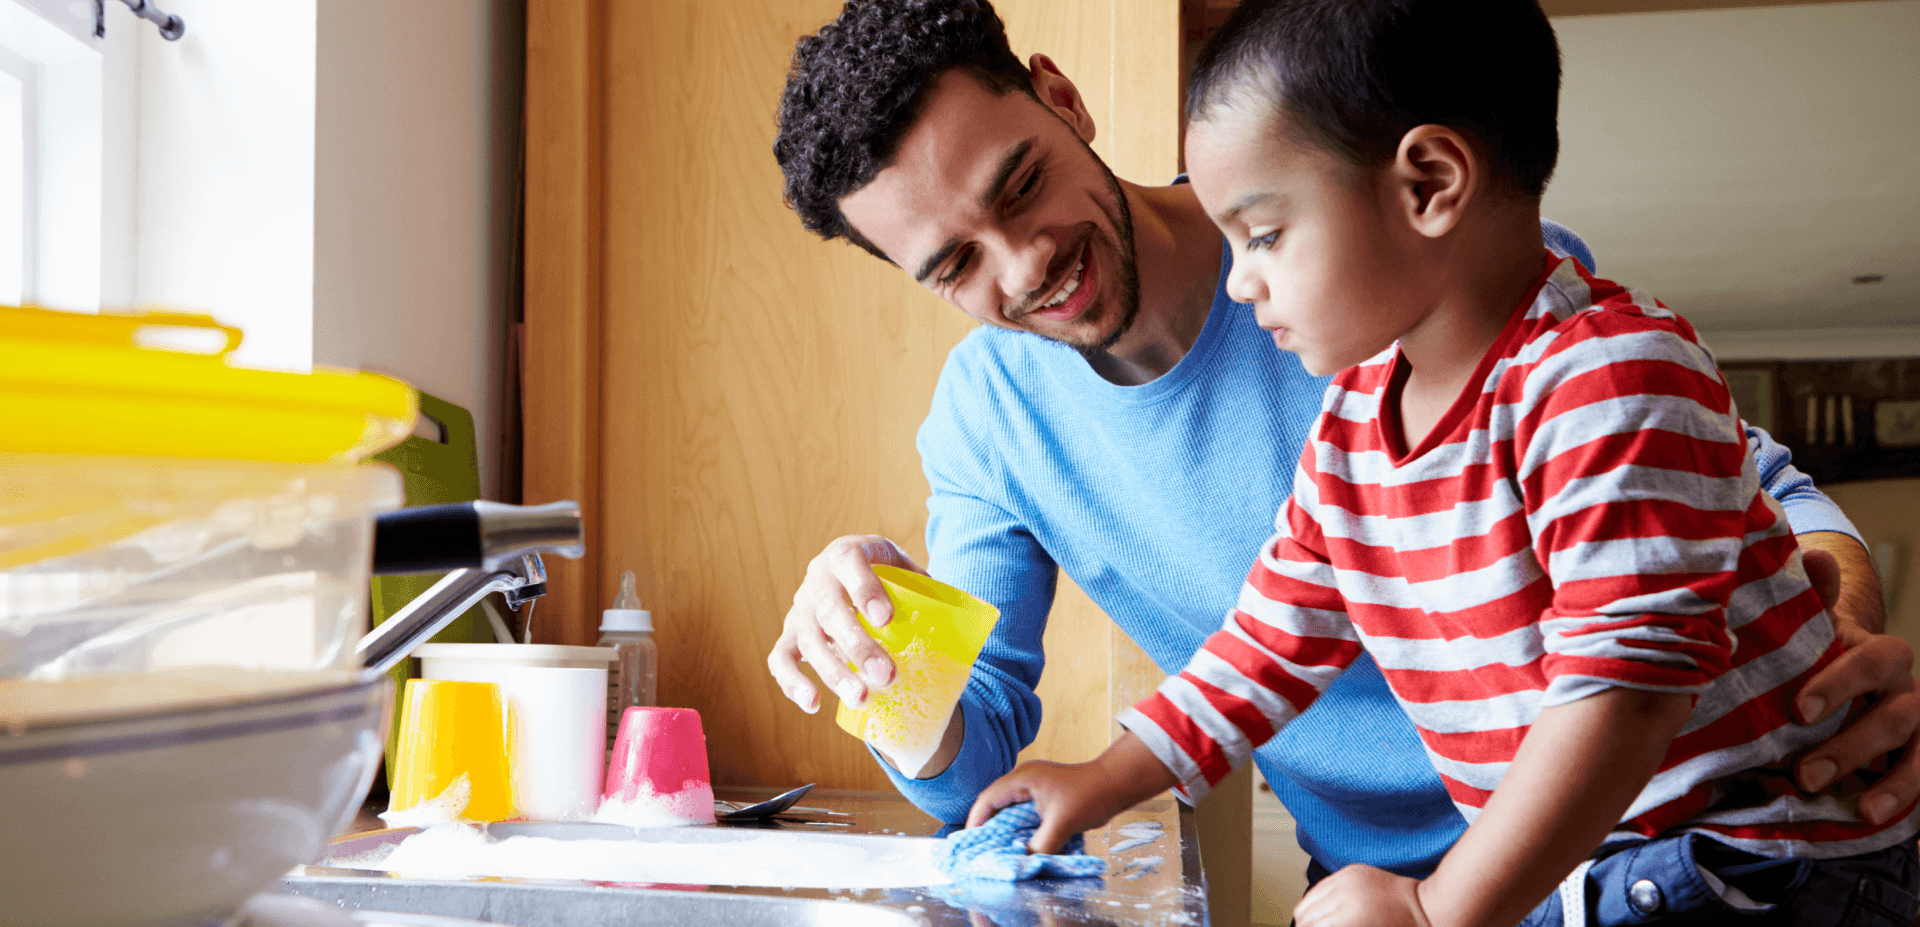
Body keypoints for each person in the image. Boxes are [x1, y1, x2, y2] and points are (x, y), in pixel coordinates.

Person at [768, 0, 1920, 886]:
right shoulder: (992, 419)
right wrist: (881, 662)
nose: (1022, 267)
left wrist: (1830, 655)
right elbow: (998, 766)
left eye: (1020, 188)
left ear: (1062, 99)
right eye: (955, 267)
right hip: (1394, 877)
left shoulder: (1404, 259)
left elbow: (1734, 484)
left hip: (1675, 836)